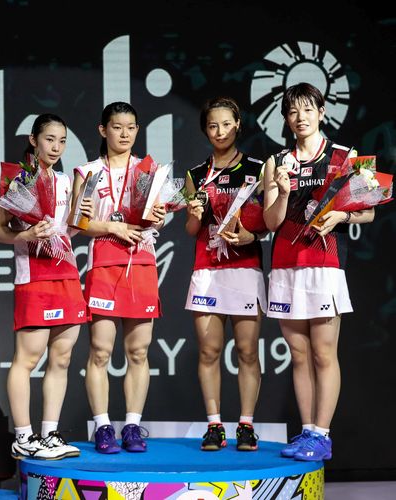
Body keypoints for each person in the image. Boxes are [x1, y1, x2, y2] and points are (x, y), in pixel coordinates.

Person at [263, 83, 374, 462]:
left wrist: (342, 214)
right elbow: (270, 222)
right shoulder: (276, 161)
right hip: (285, 265)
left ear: (322, 111)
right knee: (298, 354)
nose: (301, 118)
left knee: (324, 353)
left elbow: (370, 210)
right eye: (293, 112)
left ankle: (322, 435)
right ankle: (308, 431)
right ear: (286, 118)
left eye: (308, 109)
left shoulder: (347, 156)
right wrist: (279, 191)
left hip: (324, 265)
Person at [71, 102, 165, 454]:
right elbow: (77, 223)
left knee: (138, 351)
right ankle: (103, 427)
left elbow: (160, 220)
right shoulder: (88, 172)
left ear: (137, 131)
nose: (124, 134)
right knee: (100, 350)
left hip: (141, 264)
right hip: (104, 265)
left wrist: (157, 216)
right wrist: (111, 226)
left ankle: (132, 427)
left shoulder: (148, 170)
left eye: (130, 128)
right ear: (102, 130)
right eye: (117, 127)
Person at [0, 113, 86, 460]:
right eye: (49, 139)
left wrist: (79, 220)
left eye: (62, 141)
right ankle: (23, 436)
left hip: (67, 274)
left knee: (61, 358)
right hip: (33, 277)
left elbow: (66, 232)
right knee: (28, 359)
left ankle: (49, 434)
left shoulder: (65, 181)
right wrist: (26, 234)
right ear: (34, 140)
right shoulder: (17, 179)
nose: (56, 147)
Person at [184, 96, 267, 452]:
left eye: (226, 124)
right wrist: (194, 212)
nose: (220, 131)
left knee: (247, 351)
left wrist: (253, 235)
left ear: (238, 125)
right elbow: (191, 229)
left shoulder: (258, 168)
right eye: (212, 125)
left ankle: (246, 425)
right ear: (205, 129)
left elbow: (269, 221)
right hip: (207, 268)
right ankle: (215, 426)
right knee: (209, 351)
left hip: (245, 266)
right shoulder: (195, 175)